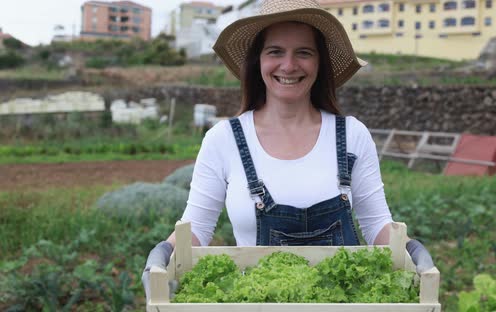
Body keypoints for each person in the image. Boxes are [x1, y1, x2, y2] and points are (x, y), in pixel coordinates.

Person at [143, 0, 434, 301]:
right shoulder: (223, 139)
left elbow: (377, 225)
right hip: (258, 306)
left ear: (320, 63)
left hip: (347, 305)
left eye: (304, 53)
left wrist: (413, 254)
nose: (289, 65)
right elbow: (197, 229)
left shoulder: (351, 135)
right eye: (275, 52)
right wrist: (163, 258)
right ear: (258, 60)